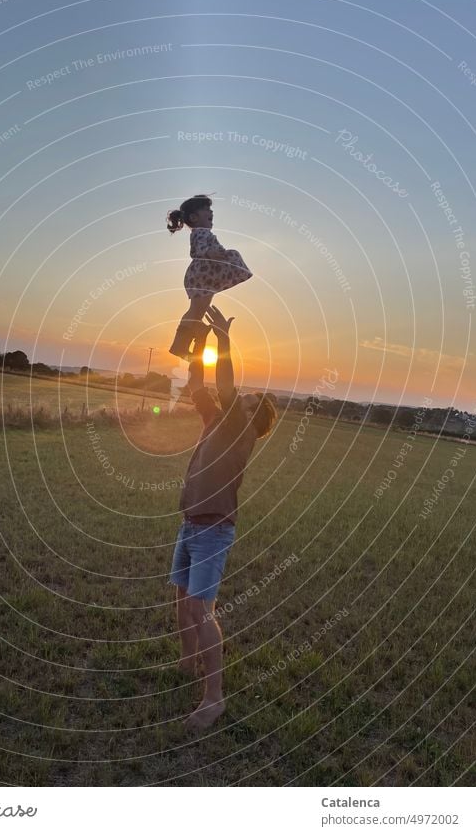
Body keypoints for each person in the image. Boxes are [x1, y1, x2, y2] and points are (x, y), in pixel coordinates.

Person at [168, 304, 277, 730]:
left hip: (213, 530)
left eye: (247, 402)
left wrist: (224, 340)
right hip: (189, 524)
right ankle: (186, 662)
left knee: (200, 611)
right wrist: (198, 343)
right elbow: (200, 383)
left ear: (254, 418)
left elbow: (225, 384)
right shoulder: (217, 421)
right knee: (181, 603)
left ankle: (214, 700)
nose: (238, 401)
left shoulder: (243, 431)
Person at [166, 194, 253, 360]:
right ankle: (179, 345)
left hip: (207, 276)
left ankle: (192, 336)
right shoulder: (200, 233)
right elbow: (198, 250)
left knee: (199, 308)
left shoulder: (204, 232)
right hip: (202, 274)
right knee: (195, 309)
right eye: (206, 209)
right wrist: (210, 252)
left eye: (210, 209)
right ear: (194, 217)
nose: (210, 212)